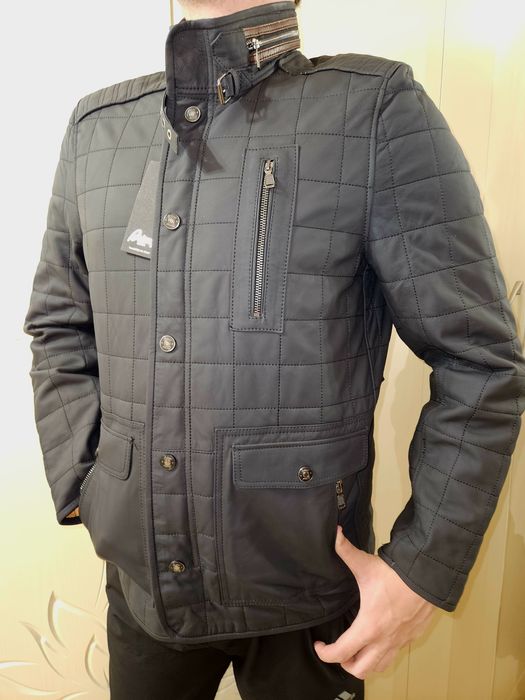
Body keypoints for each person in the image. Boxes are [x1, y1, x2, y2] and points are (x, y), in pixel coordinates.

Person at [23, 0, 525, 698]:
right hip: (144, 591)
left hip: (310, 595)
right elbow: (58, 325)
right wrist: (87, 483)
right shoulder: (97, 129)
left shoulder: (373, 110)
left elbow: (478, 358)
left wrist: (421, 571)